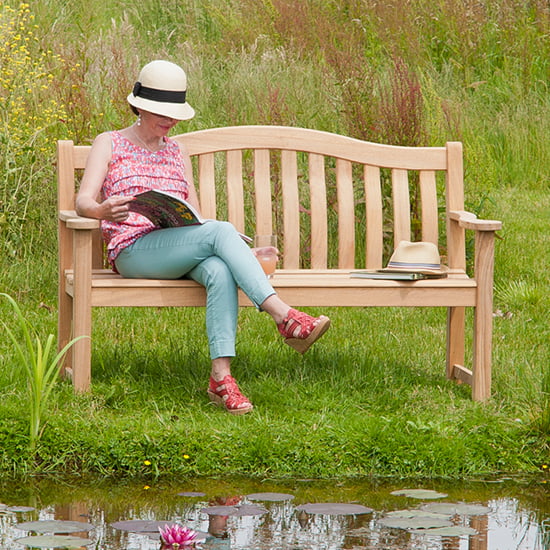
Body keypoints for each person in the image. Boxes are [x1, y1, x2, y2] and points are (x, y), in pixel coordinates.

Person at [75, 60, 330, 415]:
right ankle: (283, 317)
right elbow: (83, 200)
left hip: (179, 246)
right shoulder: (110, 142)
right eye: (163, 112)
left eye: (175, 112)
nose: (171, 120)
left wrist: (241, 252)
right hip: (133, 251)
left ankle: (220, 378)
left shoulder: (178, 151)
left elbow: (196, 218)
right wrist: (102, 211)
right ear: (141, 106)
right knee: (220, 234)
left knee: (219, 270)